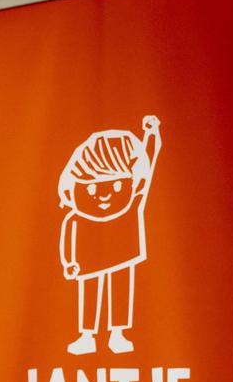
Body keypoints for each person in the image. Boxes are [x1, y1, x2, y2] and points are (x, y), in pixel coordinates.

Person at [58, 115, 162, 355]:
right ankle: (87, 336)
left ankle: (118, 334)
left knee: (121, 292)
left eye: (116, 186)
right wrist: (69, 262)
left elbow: (148, 163)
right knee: (90, 293)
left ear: (132, 184)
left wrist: (152, 135)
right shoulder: (77, 216)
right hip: (88, 263)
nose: (104, 196)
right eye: (92, 188)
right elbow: (67, 237)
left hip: (122, 259)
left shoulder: (133, 204)